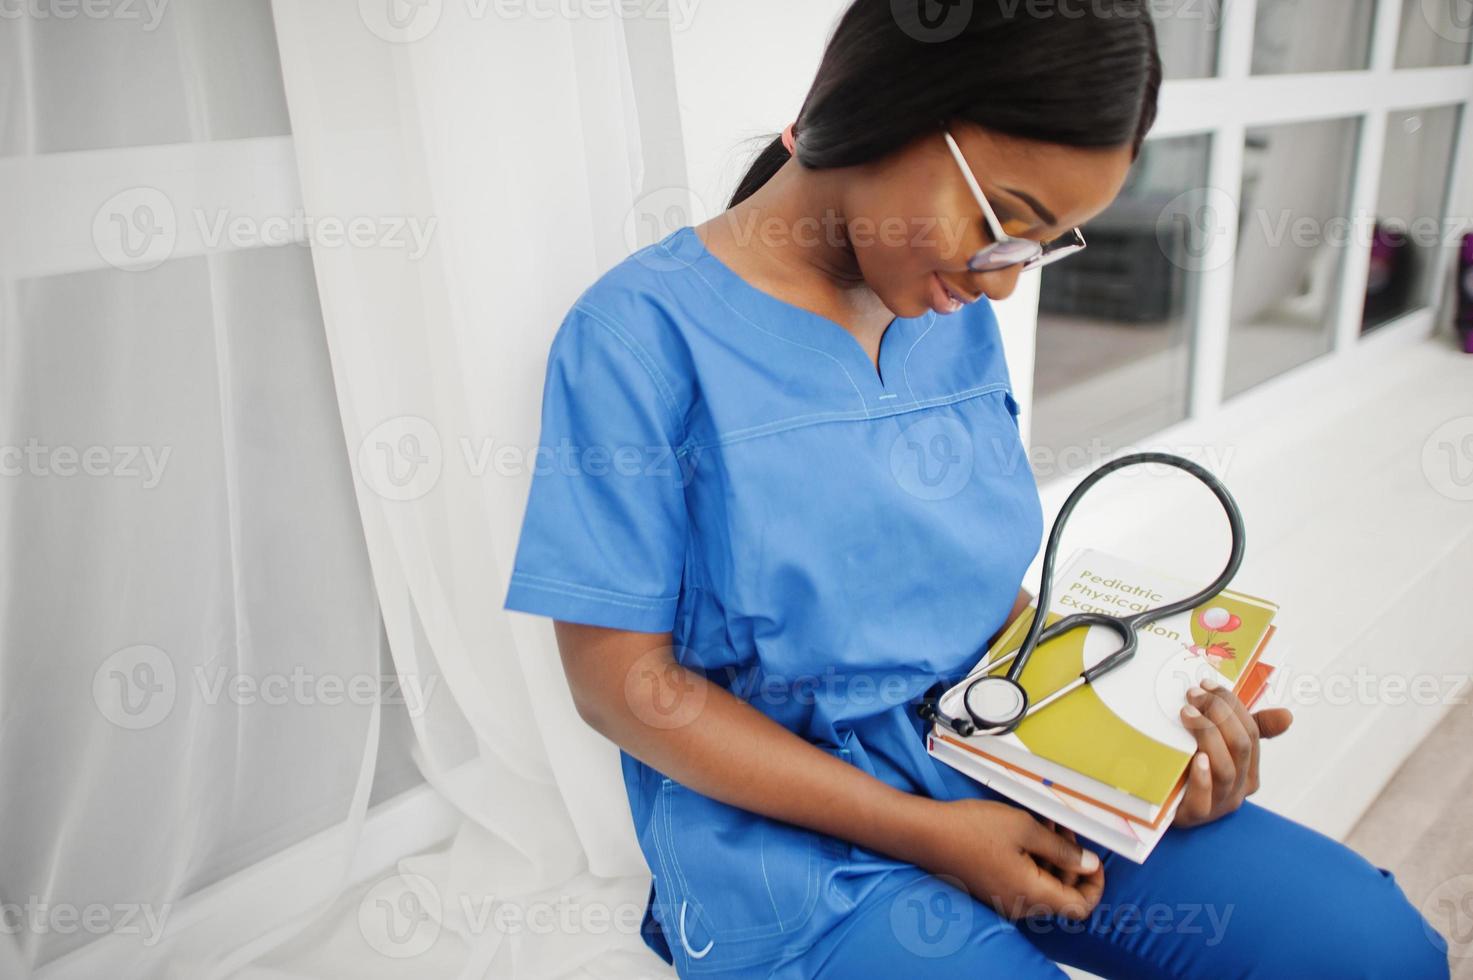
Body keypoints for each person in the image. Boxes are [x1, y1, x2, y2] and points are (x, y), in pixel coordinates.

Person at [503, 1, 1452, 975]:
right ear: (889, 104)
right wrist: (926, 832)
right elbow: (623, 687)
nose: (1005, 281)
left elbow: (980, 596)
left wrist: (1142, 760)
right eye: (1007, 221)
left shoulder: (941, 305)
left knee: (1369, 948)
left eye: (1045, 244)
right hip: (780, 838)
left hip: (998, 749)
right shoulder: (636, 338)